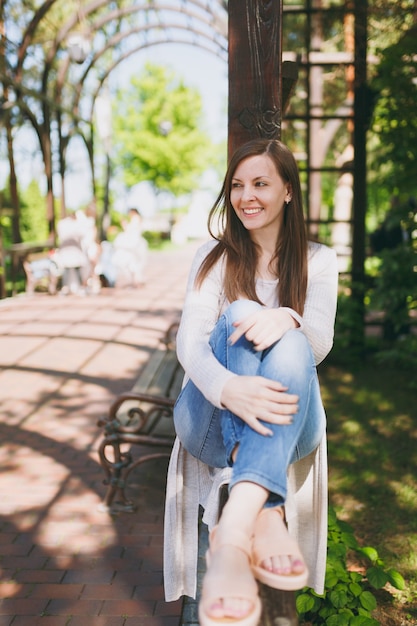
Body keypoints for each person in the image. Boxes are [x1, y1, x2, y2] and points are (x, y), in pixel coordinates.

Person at [166, 138, 338, 626]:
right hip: (209, 420)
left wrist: (287, 318)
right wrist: (228, 389)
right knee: (242, 311)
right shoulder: (213, 258)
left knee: (290, 334)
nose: (247, 196)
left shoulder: (318, 260)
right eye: (237, 185)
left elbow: (320, 341)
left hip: (291, 422)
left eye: (261, 183)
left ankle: (240, 520)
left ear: (288, 191)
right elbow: (190, 346)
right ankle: (262, 513)